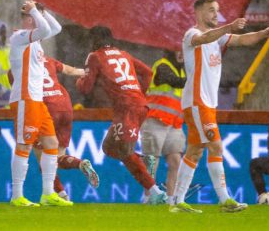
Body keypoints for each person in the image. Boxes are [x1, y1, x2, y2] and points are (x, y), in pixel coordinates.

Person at [169, 0, 269, 213]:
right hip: (197, 101)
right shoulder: (192, 34)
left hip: (206, 103)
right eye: (211, 10)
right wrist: (229, 26)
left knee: (194, 151)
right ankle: (225, 199)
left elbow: (242, 40)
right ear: (198, 13)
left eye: (217, 10)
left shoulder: (218, 39)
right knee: (216, 145)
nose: (215, 14)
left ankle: (176, 201)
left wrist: (263, 33)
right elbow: (204, 38)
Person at [76, 26, 167, 205]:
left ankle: (154, 191)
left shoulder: (95, 56)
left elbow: (86, 88)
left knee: (124, 151)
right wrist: (139, 93)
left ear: (94, 40)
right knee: (109, 148)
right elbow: (148, 73)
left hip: (127, 108)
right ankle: (142, 161)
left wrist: (79, 80)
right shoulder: (124, 54)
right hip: (138, 105)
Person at [8, 1, 72, 207]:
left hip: (38, 99)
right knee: (25, 144)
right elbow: (45, 28)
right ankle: (17, 195)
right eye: (36, 16)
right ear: (29, 20)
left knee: (51, 144)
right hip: (25, 98)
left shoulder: (35, 41)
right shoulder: (19, 37)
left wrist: (43, 10)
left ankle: (48, 194)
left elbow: (56, 28)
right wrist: (35, 10)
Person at [37, 55, 99, 200]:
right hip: (65, 105)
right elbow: (71, 71)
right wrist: (88, 73)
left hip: (47, 108)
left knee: (44, 161)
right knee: (57, 158)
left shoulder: (19, 66)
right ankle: (78, 166)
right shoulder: (48, 59)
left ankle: (60, 193)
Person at [141, 50, 186, 203]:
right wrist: (196, 75)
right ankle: (147, 196)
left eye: (183, 50)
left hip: (174, 123)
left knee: (175, 161)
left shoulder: (181, 70)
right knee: (152, 162)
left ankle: (171, 198)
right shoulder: (162, 66)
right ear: (169, 51)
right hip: (155, 120)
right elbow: (173, 81)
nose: (181, 54)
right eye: (177, 50)